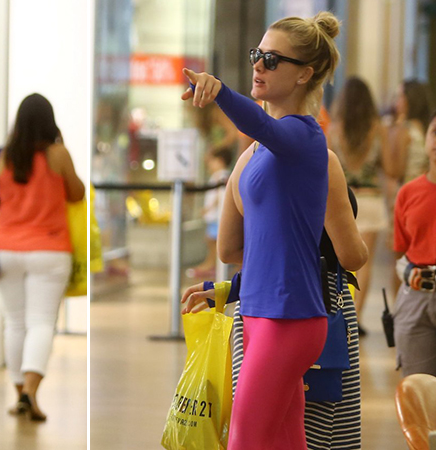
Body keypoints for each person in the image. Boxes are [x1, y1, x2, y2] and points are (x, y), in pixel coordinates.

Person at [180, 12, 368, 449]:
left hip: (291, 318)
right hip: (260, 312)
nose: (259, 66)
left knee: (245, 437)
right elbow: (238, 249)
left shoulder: (304, 137)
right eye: (256, 55)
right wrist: (227, 290)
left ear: (305, 74)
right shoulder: (256, 156)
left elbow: (261, 125)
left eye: (272, 59)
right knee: (284, 439)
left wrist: (220, 91)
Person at [0, 93, 85, 421]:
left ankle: (20, 393)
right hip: (50, 251)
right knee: (41, 323)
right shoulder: (58, 154)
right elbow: (77, 194)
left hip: (6, 250)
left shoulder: (0, 157)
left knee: (16, 323)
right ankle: (32, 394)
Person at [327, 76, 395, 335]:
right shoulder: (377, 129)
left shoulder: (335, 129)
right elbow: (389, 168)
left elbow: (327, 165)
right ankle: (355, 317)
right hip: (371, 199)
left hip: (342, 200)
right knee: (362, 265)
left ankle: (339, 313)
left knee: (342, 260)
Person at [393, 109, 436, 378]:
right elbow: (401, 250)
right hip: (416, 295)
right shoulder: (409, 192)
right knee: (418, 393)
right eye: (435, 133)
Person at [186, 147, 232, 278]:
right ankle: (211, 263)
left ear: (221, 161)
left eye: (213, 161)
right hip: (214, 216)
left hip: (217, 216)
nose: (210, 165)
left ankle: (212, 264)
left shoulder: (222, 176)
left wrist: (209, 208)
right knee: (211, 240)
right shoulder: (217, 176)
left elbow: (220, 196)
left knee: (214, 240)